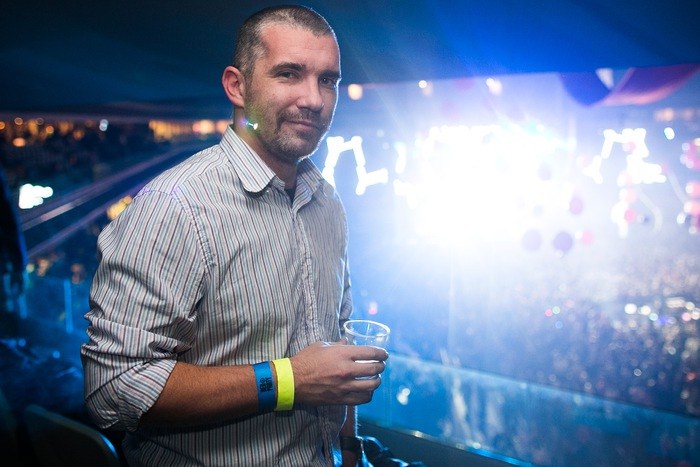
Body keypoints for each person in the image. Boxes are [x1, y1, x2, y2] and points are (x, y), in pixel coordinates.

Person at [81, 5, 388, 466]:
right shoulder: (176, 207)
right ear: (236, 86)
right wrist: (288, 380)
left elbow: (337, 345)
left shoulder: (326, 203)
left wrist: (349, 448)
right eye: (289, 74)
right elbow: (113, 388)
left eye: (328, 80)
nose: (314, 99)